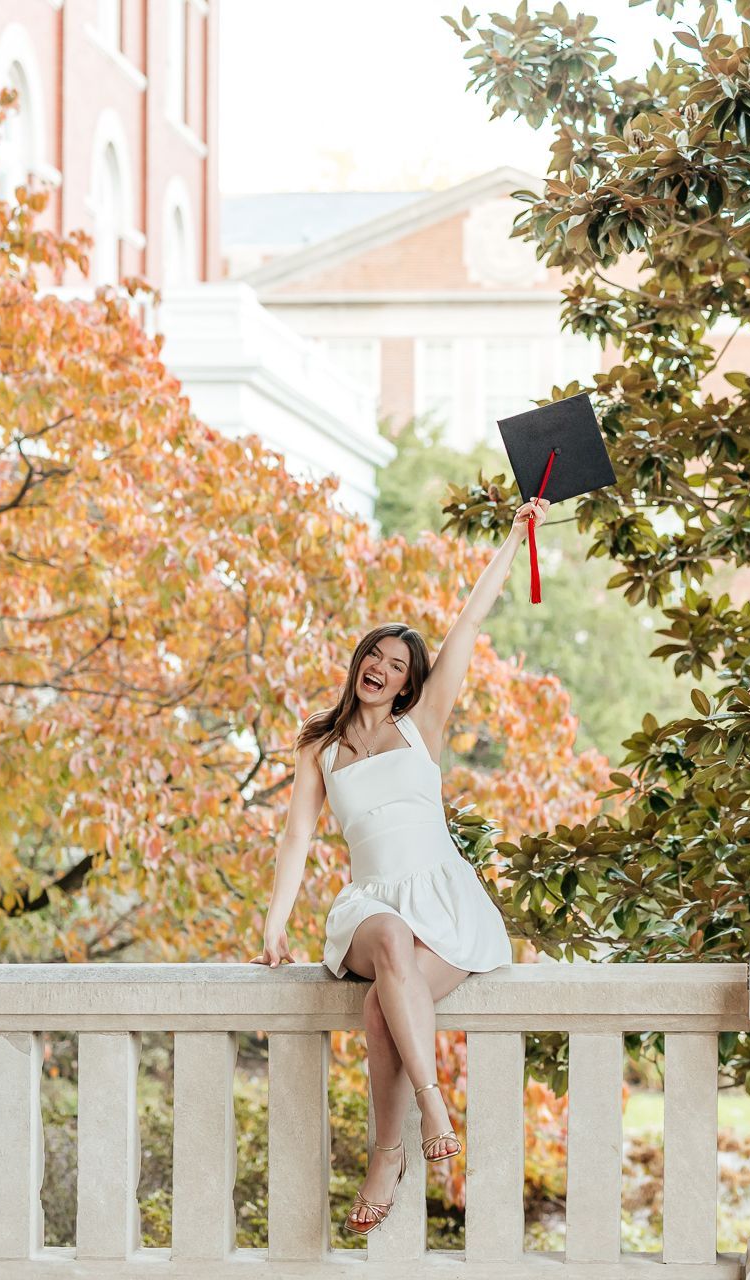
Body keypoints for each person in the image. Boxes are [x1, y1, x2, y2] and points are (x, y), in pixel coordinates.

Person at [249, 495, 551, 1235]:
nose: (381, 670)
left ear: (410, 683)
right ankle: (433, 1104)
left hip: (445, 903)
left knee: (379, 1009)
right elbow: (296, 841)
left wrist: (514, 539)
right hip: (372, 906)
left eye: (396, 666)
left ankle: (388, 1153)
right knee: (385, 940)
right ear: (358, 665)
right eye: (374, 658)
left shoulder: (424, 728)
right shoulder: (318, 749)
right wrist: (274, 923)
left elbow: (469, 623)